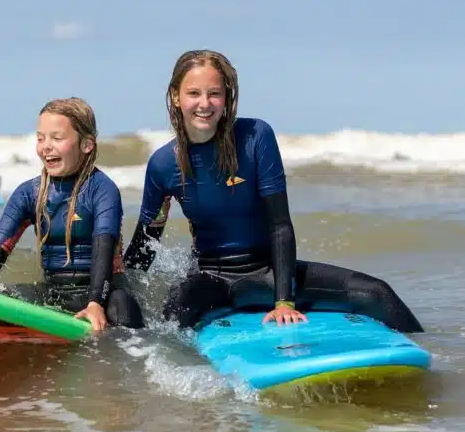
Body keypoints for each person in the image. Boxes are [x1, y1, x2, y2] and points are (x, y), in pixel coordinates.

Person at [122, 50, 424, 333]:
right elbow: (146, 245)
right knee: (173, 316)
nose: (205, 103)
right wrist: (114, 295)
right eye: (194, 93)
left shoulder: (255, 137)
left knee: (376, 293)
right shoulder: (164, 164)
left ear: (227, 97)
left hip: (267, 272)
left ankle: (430, 357)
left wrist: (284, 302)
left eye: (214, 93)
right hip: (210, 279)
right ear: (176, 97)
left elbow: (280, 225)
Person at [0, 98, 145, 332]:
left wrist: (96, 303)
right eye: (40, 138)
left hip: (105, 295)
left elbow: (103, 249)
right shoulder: (29, 193)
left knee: (123, 306)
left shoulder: (102, 190)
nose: (45, 146)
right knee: (1, 296)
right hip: (55, 294)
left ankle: (124, 347)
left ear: (86, 144)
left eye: (57, 138)